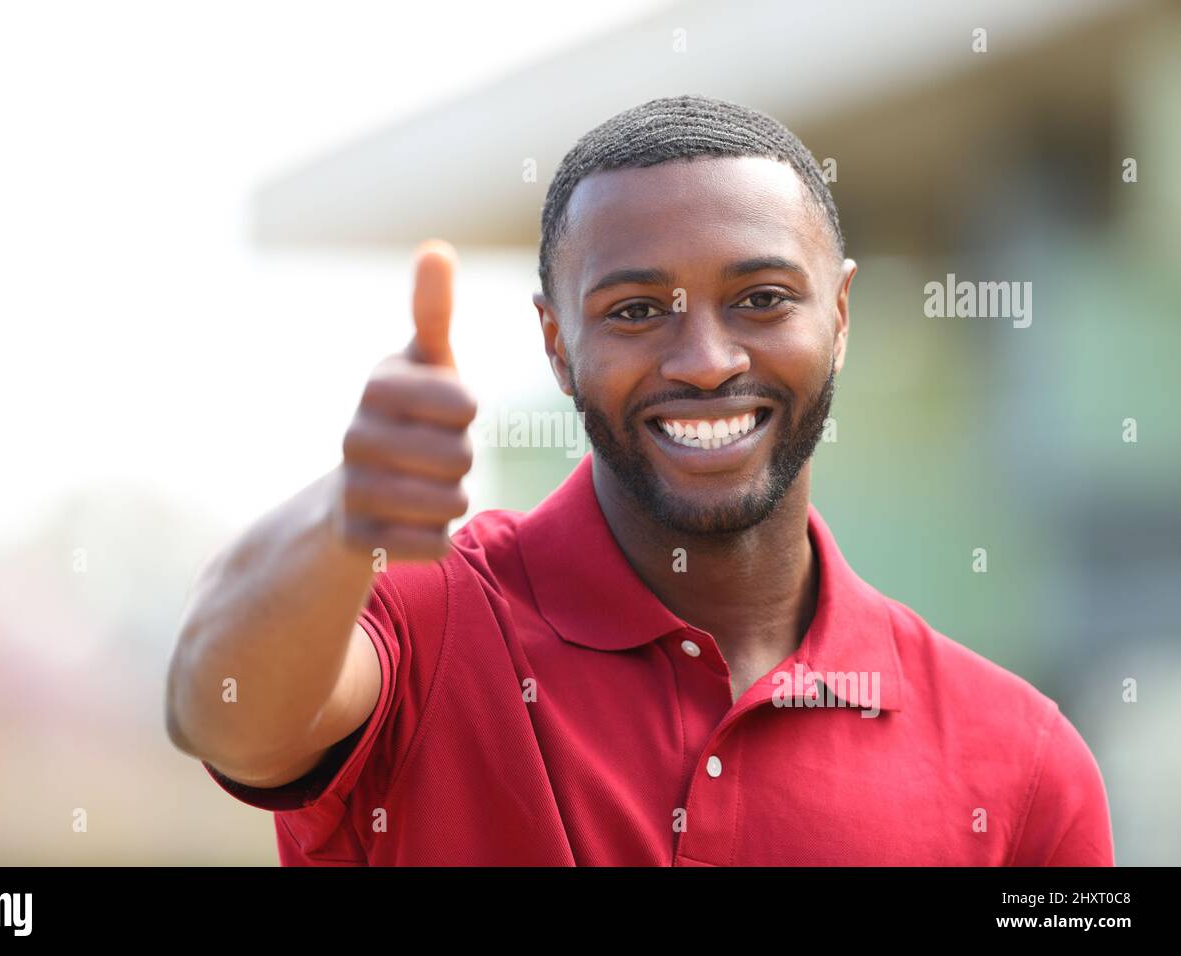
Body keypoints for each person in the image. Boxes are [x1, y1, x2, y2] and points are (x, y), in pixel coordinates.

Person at [164, 94, 1114, 866]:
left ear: (842, 315)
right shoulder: (434, 623)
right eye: (636, 310)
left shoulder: (1023, 762)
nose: (704, 360)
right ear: (556, 345)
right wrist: (348, 511)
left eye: (763, 299)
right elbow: (224, 709)